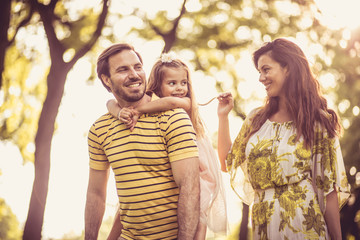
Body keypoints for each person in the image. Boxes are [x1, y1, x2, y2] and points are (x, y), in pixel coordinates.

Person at [217, 38, 351, 239]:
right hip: (263, 226)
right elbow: (227, 163)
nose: (261, 78)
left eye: (266, 69)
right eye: (259, 72)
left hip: (304, 226)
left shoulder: (317, 122)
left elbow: (327, 190)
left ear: (287, 68)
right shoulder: (255, 120)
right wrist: (223, 117)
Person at [85, 43, 200, 240]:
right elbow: (96, 193)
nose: (134, 74)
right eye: (123, 69)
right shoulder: (99, 130)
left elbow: (189, 188)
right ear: (106, 79)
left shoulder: (173, 117)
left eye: (137, 67)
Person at [106, 53, 228, 240]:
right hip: (167, 163)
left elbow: (169, 102)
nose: (180, 88)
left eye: (183, 83)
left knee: (198, 211)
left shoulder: (185, 102)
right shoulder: (149, 100)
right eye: (172, 83)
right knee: (125, 208)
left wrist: (136, 110)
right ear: (157, 85)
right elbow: (109, 103)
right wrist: (119, 112)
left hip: (197, 166)